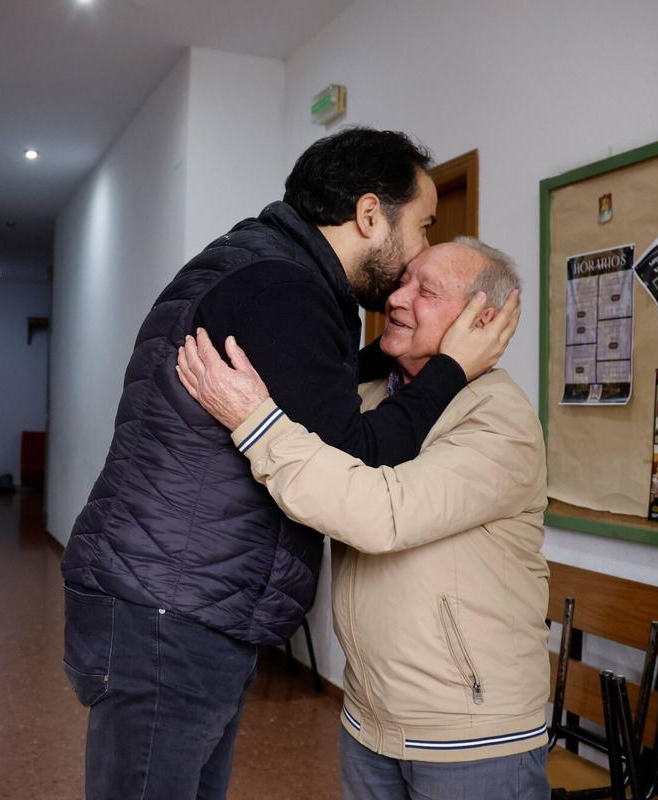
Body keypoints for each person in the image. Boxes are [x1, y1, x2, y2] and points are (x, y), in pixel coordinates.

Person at [59, 128, 519, 800]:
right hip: (172, 610)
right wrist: (450, 367)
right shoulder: (285, 290)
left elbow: (311, 399)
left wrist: (411, 352)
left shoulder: (271, 270)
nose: (418, 252)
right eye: (421, 227)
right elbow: (355, 456)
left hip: (176, 598)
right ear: (369, 215)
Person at [177, 238, 551, 799]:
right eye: (402, 281)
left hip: (470, 737)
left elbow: (380, 512)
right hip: (369, 724)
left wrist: (253, 420)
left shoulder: (500, 419)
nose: (396, 298)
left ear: (483, 319)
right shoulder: (375, 397)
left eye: (425, 291)